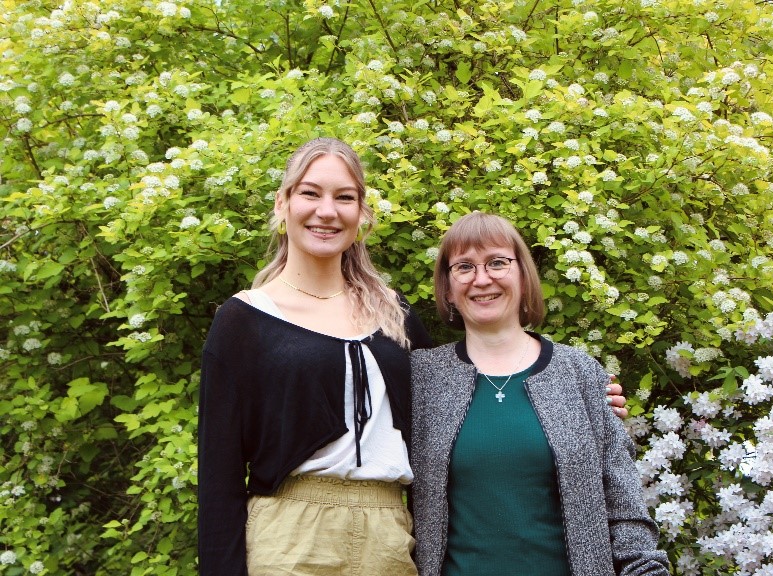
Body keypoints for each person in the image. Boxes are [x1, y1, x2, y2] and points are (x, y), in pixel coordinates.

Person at [197, 137, 432, 576]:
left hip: (390, 539)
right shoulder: (244, 319)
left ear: (361, 214)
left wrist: (591, 402)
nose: (327, 211)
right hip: (288, 540)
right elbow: (218, 473)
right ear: (282, 204)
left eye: (345, 197)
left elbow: (449, 422)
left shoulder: (395, 316)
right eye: (310, 192)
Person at [410, 212, 669, 576]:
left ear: (522, 274)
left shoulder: (580, 374)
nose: (482, 279)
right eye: (464, 267)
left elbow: (624, 508)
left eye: (497, 263)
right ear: (448, 288)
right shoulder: (422, 379)